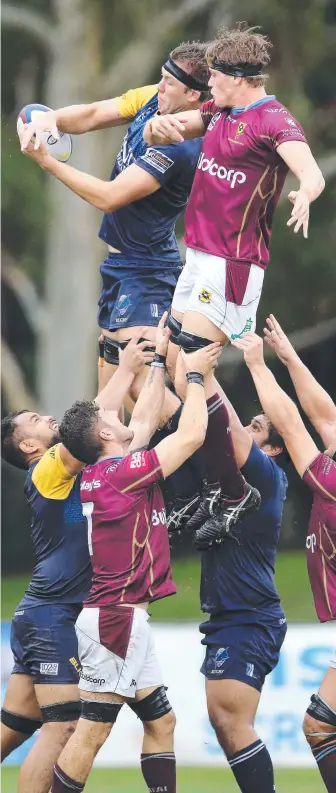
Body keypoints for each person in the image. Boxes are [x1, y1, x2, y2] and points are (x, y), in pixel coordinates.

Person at [49, 335, 221, 793]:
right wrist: (197, 377)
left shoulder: (104, 471)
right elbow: (192, 434)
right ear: (105, 435)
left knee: (162, 722)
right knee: (94, 729)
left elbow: (143, 418)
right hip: (115, 619)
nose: (116, 413)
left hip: (123, 618)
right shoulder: (123, 473)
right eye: (108, 416)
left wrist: (161, 362)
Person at [0, 337, 153, 793]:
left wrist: (114, 365)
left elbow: (102, 424)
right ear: (27, 443)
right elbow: (84, 426)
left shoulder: (74, 468)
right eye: (35, 420)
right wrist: (123, 370)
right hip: (53, 614)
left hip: (43, 614)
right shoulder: (44, 470)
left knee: (15, 726)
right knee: (63, 725)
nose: (46, 417)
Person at [19, 42, 210, 387]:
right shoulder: (157, 95)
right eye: (161, 77)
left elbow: (110, 197)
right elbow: (92, 115)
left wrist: (47, 163)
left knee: (139, 389)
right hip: (119, 269)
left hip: (147, 272)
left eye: (169, 83)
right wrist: (50, 120)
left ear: (194, 95)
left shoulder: (180, 147)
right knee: (112, 397)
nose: (160, 86)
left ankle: (208, 437)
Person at [143, 24, 324, 380]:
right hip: (197, 255)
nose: (207, 85)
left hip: (231, 265)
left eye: (213, 76)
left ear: (238, 79)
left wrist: (304, 193)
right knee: (170, 368)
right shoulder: (217, 112)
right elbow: (162, 128)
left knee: (188, 376)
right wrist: (154, 129)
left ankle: (237, 439)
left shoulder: (273, 121)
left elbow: (312, 173)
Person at [169, 372, 287, 793]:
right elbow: (183, 418)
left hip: (250, 615)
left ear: (272, 449)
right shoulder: (233, 472)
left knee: (232, 722)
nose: (247, 428)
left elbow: (227, 429)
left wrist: (204, 370)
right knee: (224, 723)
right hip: (228, 614)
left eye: (259, 427)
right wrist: (158, 362)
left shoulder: (266, 473)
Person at [232, 325, 336, 793]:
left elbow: (294, 425)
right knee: (320, 726)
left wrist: (257, 364)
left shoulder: (331, 483)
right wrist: (289, 357)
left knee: (319, 725)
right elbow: (323, 415)